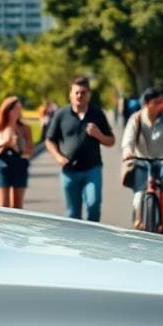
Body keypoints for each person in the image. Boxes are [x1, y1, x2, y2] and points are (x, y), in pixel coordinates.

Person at [45, 76, 116, 221]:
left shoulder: (96, 113)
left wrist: (99, 135)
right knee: (72, 215)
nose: (79, 96)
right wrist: (58, 156)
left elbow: (111, 141)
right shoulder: (61, 114)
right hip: (69, 172)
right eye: (76, 92)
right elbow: (49, 140)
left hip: (92, 169)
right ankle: (76, 243)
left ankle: (92, 241)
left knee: (93, 206)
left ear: (89, 94)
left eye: (83, 92)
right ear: (70, 94)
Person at [122, 87, 163, 230]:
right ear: (146, 104)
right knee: (138, 196)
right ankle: (138, 220)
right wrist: (127, 151)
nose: (161, 105)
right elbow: (128, 140)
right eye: (156, 102)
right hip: (141, 161)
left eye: (161, 102)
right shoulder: (136, 118)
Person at [0, 96, 34, 209]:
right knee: (3, 206)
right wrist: (4, 144)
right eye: (15, 109)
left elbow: (30, 151)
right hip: (2, 167)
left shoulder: (25, 129)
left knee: (17, 207)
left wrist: (19, 146)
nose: (18, 112)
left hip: (20, 166)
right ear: (7, 110)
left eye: (19, 109)